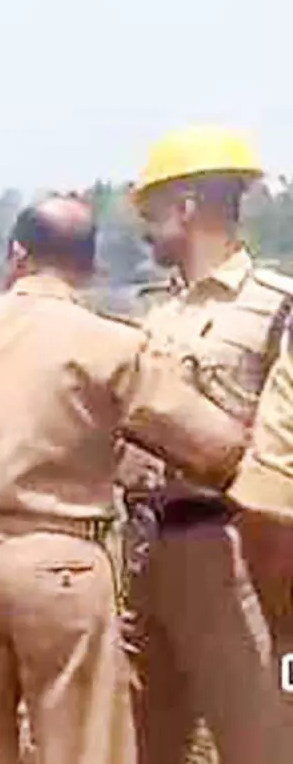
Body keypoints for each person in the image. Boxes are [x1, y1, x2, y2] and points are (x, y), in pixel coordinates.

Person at [0, 195, 251, 764]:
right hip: (62, 562)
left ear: (16, 255)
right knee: (80, 744)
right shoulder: (112, 344)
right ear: (90, 267)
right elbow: (217, 451)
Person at [120, 125, 293, 761]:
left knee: (261, 737)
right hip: (144, 548)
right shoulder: (154, 313)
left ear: (186, 206)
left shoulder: (277, 307)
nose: (145, 231)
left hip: (236, 551)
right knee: (143, 742)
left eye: (151, 213)